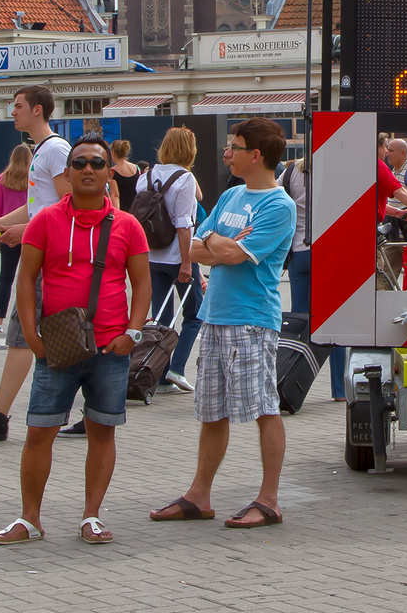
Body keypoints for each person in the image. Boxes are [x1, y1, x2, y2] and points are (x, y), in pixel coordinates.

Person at [0, 134, 151, 546]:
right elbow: (25, 279)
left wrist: (132, 334)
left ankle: (91, 516)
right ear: (67, 172)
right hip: (57, 347)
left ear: (109, 173)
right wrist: (30, 333)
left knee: (102, 432)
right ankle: (30, 519)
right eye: (79, 163)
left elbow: (142, 283)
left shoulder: (127, 225)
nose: (87, 170)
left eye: (97, 164)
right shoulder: (46, 220)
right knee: (39, 432)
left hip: (110, 349)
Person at [149, 118, 296, 531]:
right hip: (215, 318)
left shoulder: (278, 205)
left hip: (252, 321)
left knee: (265, 408)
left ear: (257, 155)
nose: (227, 152)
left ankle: (269, 500)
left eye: (235, 146)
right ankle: (199, 496)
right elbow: (195, 249)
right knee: (212, 412)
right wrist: (220, 244)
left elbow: (229, 254)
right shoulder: (232, 195)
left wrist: (216, 244)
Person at [0, 86, 70, 441]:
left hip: (48, 257)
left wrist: (24, 229)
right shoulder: (42, 151)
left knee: (24, 333)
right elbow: (41, 206)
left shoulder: (55, 150)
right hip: (43, 254)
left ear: (38, 110)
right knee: (59, 336)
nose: (12, 111)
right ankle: (94, 410)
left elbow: (70, 204)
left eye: (18, 106)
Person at [141, 126, 202, 393]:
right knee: (195, 315)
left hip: (152, 256)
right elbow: (183, 223)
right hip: (179, 256)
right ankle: (177, 369)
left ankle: (159, 373)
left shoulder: (145, 176)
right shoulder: (185, 178)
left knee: (162, 319)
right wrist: (188, 263)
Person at [281, 150, 345, 401]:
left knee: (299, 323)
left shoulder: (289, 172)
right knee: (333, 323)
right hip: (328, 255)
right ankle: (339, 389)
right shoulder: (336, 173)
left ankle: (290, 380)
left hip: (299, 253)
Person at [0, 144, 31, 334]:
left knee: (5, 278)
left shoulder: (2, 179)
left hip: (7, 233)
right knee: (29, 278)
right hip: (30, 232)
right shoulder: (33, 180)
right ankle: (27, 319)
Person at [109, 139, 139, 211]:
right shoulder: (135, 168)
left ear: (113, 153)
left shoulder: (112, 171)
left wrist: (116, 213)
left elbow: (115, 195)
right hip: (136, 208)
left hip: (123, 210)